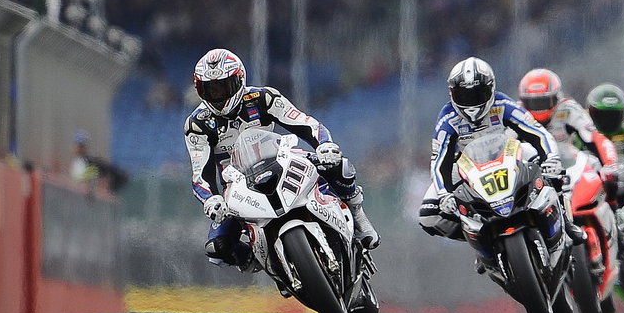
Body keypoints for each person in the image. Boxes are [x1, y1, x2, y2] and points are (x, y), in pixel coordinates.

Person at [184, 48, 376, 268]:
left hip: (282, 160)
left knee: (338, 165)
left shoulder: (263, 97)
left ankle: (357, 215)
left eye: (223, 87)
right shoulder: (197, 124)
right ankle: (260, 261)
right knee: (217, 249)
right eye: (210, 89)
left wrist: (325, 144)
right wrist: (211, 199)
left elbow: (306, 123)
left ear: (240, 80)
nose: (218, 96)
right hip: (238, 188)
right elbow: (200, 175)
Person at [417, 57, 570, 249]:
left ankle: (566, 223)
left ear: (490, 89)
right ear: (452, 94)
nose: (472, 103)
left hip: (508, 154)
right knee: (428, 215)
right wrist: (445, 194)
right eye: (465, 96)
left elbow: (536, 131)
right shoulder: (447, 119)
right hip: (466, 167)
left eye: (478, 94)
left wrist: (552, 158)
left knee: (552, 170)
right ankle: (483, 239)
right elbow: (439, 161)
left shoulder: (502, 103)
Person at [519, 67, 624, 213]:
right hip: (532, 173)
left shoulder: (568, 108)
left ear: (557, 97)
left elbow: (596, 138)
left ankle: (612, 222)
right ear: (524, 102)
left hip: (568, 168)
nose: (540, 109)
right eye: (534, 103)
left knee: (602, 173)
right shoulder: (517, 114)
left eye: (545, 101)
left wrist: (610, 165)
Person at [586, 83, 624, 155]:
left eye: (613, 115)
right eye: (603, 115)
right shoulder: (583, 135)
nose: (608, 120)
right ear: (591, 113)